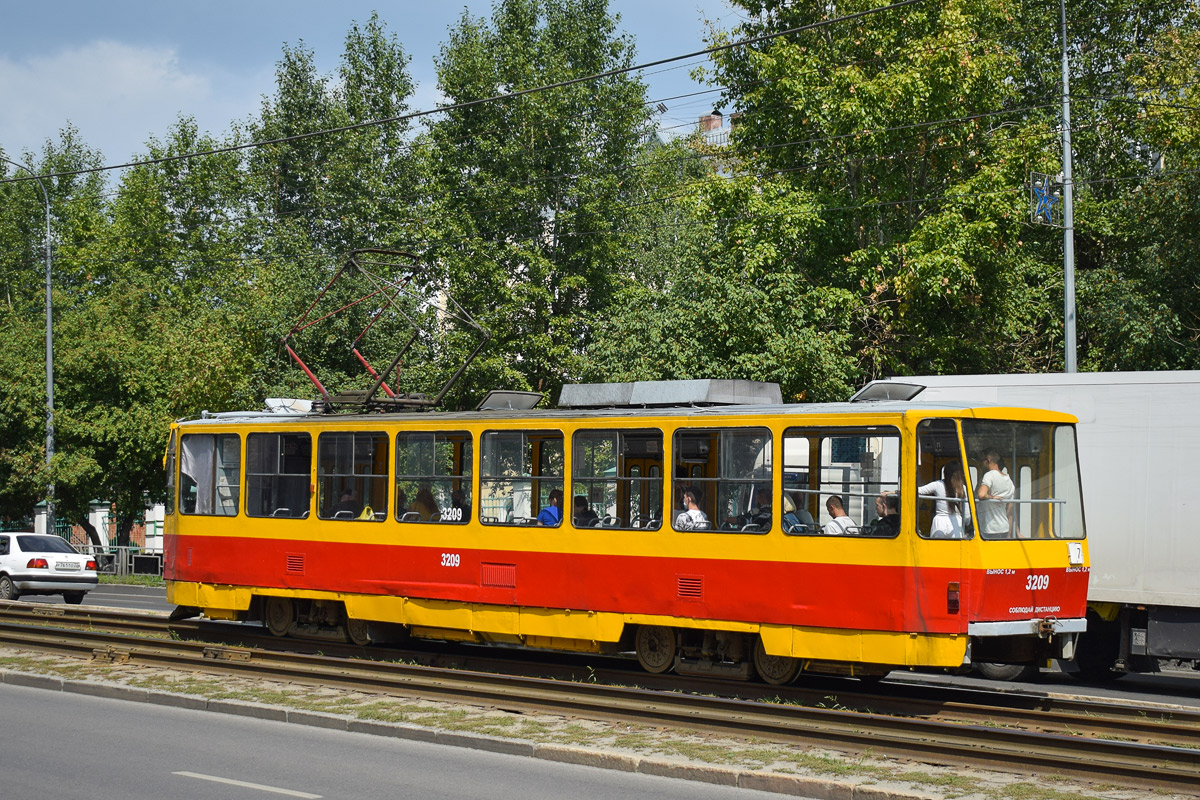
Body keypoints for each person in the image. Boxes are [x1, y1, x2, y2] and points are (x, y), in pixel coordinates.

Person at [919, 463, 968, 538]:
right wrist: (967, 522)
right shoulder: (963, 488)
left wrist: (897, 492)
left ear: (945, 473)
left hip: (939, 522)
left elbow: (918, 491)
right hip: (956, 522)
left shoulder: (938, 484)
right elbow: (967, 515)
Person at [976, 451, 1015, 537]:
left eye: (982, 461)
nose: (980, 464)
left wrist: (991, 497)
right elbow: (1010, 509)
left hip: (990, 528)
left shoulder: (989, 475)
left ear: (988, 460)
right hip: (1004, 528)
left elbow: (981, 494)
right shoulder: (1009, 481)